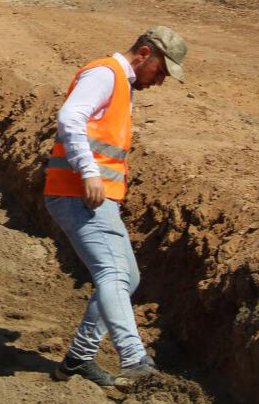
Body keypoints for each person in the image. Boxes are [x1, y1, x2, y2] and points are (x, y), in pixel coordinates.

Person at [45, 26, 188, 388]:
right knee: (114, 273)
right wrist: (89, 172)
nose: (160, 81)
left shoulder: (121, 84)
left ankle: (79, 358)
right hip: (80, 193)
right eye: (160, 71)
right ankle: (134, 358)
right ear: (144, 54)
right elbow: (69, 117)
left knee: (129, 277)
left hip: (94, 196)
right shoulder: (105, 74)